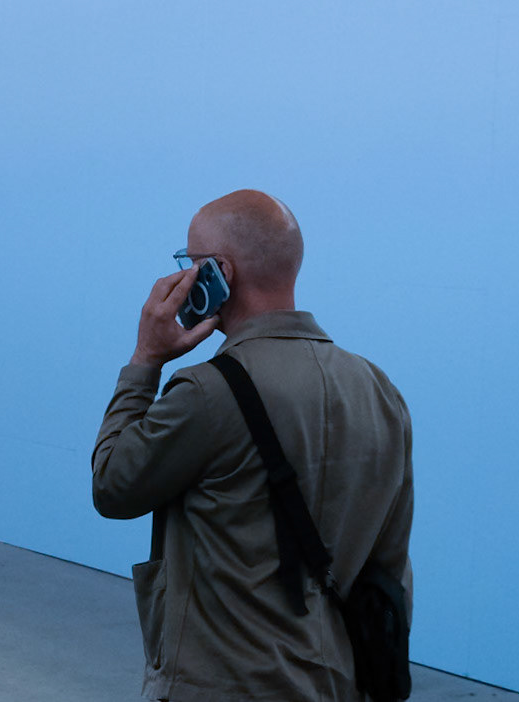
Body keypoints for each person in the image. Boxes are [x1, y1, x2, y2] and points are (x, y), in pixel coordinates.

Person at [91, 190, 413, 702]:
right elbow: (390, 565)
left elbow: (112, 485)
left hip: (222, 685)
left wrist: (145, 359)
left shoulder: (206, 391)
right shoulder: (379, 390)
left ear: (220, 272)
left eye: (190, 263)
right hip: (336, 684)